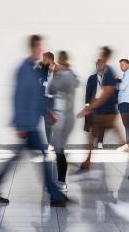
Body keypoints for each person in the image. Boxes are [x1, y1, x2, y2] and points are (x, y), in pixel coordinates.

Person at [0, 35, 68, 207]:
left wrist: (47, 112)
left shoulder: (33, 69)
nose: (41, 51)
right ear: (33, 48)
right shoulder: (23, 69)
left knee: (21, 158)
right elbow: (17, 97)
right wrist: (19, 124)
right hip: (26, 124)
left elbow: (37, 97)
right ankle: (54, 195)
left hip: (31, 122)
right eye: (39, 48)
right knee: (41, 157)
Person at [77, 47, 129, 179]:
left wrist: (89, 107)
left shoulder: (109, 73)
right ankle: (86, 164)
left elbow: (106, 94)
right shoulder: (106, 73)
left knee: (102, 139)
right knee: (93, 139)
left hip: (106, 114)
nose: (100, 60)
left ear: (105, 57)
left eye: (102, 57)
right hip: (103, 113)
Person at [49, 51, 79, 192]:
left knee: (59, 150)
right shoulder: (71, 75)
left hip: (62, 118)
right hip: (67, 117)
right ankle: (58, 180)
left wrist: (55, 74)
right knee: (59, 149)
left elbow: (51, 88)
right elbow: (76, 82)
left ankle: (61, 182)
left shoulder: (63, 75)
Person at [84, 60, 106, 149]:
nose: (100, 66)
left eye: (102, 64)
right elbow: (88, 91)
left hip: (104, 103)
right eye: (99, 65)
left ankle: (100, 141)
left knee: (103, 123)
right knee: (93, 122)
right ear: (96, 66)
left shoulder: (107, 78)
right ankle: (93, 141)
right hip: (93, 103)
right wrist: (87, 104)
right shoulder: (92, 78)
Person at [38, 52, 55, 150]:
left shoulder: (58, 70)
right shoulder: (42, 69)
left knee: (56, 122)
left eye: (44, 59)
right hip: (45, 99)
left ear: (50, 60)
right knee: (47, 123)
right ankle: (50, 143)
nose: (43, 61)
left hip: (55, 99)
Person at [116, 59, 129, 152]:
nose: (121, 66)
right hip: (123, 101)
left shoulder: (128, 74)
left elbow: (122, 87)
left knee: (126, 123)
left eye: (123, 64)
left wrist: (115, 83)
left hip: (124, 101)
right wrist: (120, 80)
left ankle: (127, 144)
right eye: (120, 65)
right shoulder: (126, 75)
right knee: (126, 123)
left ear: (128, 65)